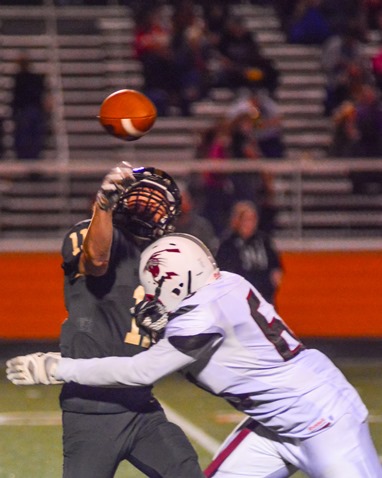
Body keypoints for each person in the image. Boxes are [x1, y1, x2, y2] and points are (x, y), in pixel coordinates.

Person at [7, 233, 382, 478]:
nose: (152, 295)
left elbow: (140, 371)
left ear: (174, 277)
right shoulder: (228, 283)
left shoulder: (202, 315)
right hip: (274, 422)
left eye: (156, 285)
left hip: (324, 421)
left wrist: (57, 366)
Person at [10, 163, 205, 478]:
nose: (148, 209)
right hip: (91, 408)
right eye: (142, 200)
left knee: (184, 468)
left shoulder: (163, 261)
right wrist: (103, 206)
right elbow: (97, 260)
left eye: (156, 205)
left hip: (141, 406)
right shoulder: (92, 233)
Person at [216, 200, 282, 305]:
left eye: (253, 219)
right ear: (237, 221)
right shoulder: (228, 244)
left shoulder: (263, 240)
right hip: (239, 299)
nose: (250, 223)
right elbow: (225, 271)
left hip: (264, 297)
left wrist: (272, 284)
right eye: (246, 219)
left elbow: (275, 266)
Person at [10, 53, 49, 159]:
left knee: (28, 139)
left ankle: (29, 159)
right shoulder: (35, 78)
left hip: (27, 111)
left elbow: (17, 97)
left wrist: (14, 112)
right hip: (32, 111)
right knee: (31, 139)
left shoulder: (21, 78)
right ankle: (30, 158)